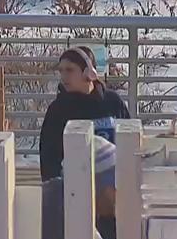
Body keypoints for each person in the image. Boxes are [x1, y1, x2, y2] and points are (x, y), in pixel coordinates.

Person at [40, 46, 131, 181]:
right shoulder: (58, 109)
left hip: (113, 183)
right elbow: (49, 158)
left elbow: (128, 142)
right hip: (75, 184)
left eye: (70, 70)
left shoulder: (112, 101)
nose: (64, 76)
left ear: (88, 72)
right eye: (61, 71)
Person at [42, 135, 117, 239]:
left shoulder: (59, 197)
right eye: (114, 183)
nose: (119, 192)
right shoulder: (59, 214)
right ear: (95, 184)